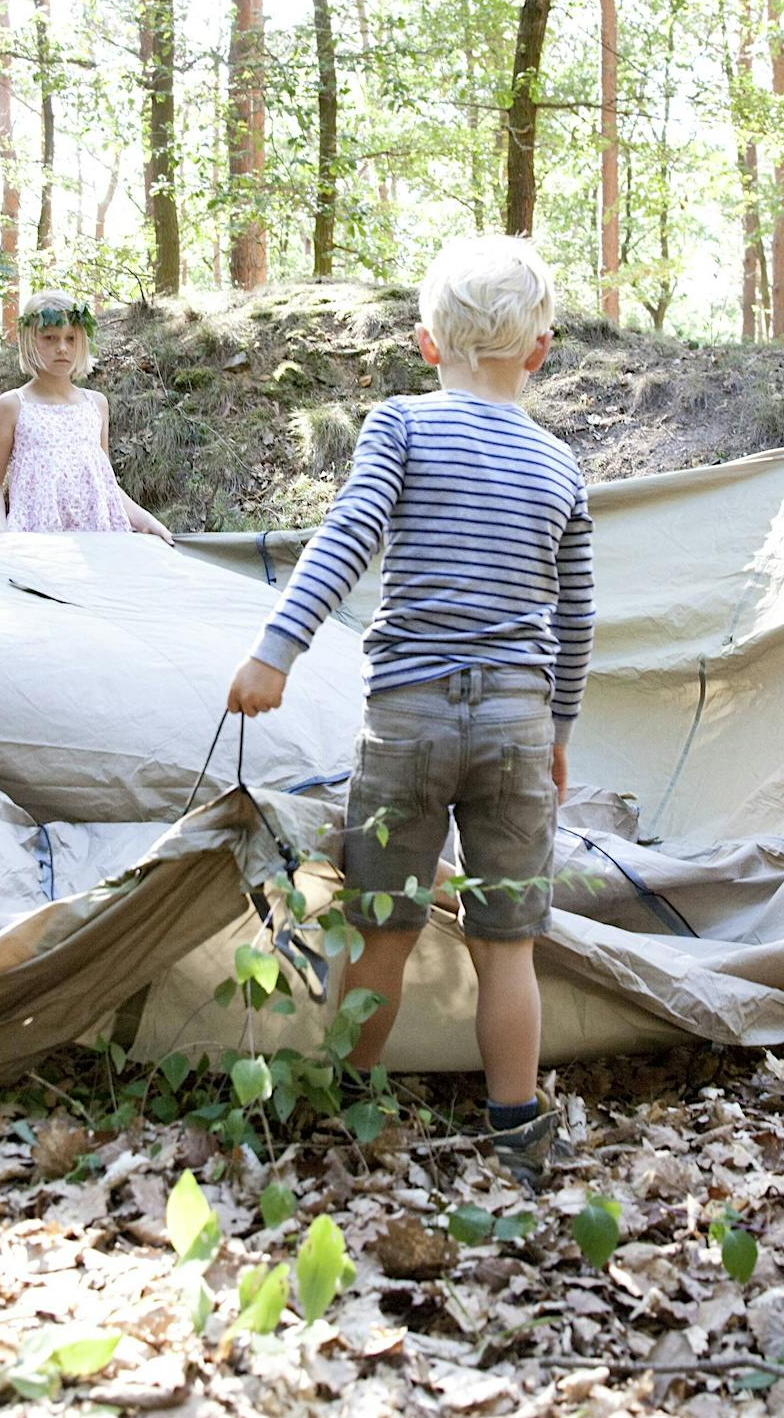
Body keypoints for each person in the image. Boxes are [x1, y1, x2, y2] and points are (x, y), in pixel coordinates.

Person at [226, 235, 593, 1181]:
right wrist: (558, 732)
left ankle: (347, 1107)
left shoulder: (402, 426)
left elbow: (348, 535)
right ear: (539, 351)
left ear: (427, 345)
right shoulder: (560, 466)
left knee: (383, 930)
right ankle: (517, 1126)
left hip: (410, 722)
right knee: (509, 946)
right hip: (517, 725)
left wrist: (278, 650)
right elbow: (579, 614)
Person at [0, 290, 175, 540]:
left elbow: (105, 483)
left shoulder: (96, 405)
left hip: (97, 540)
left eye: (71, 339)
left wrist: (145, 520)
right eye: (50, 338)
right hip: (36, 540)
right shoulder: (14, 405)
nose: (62, 348)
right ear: (30, 340)